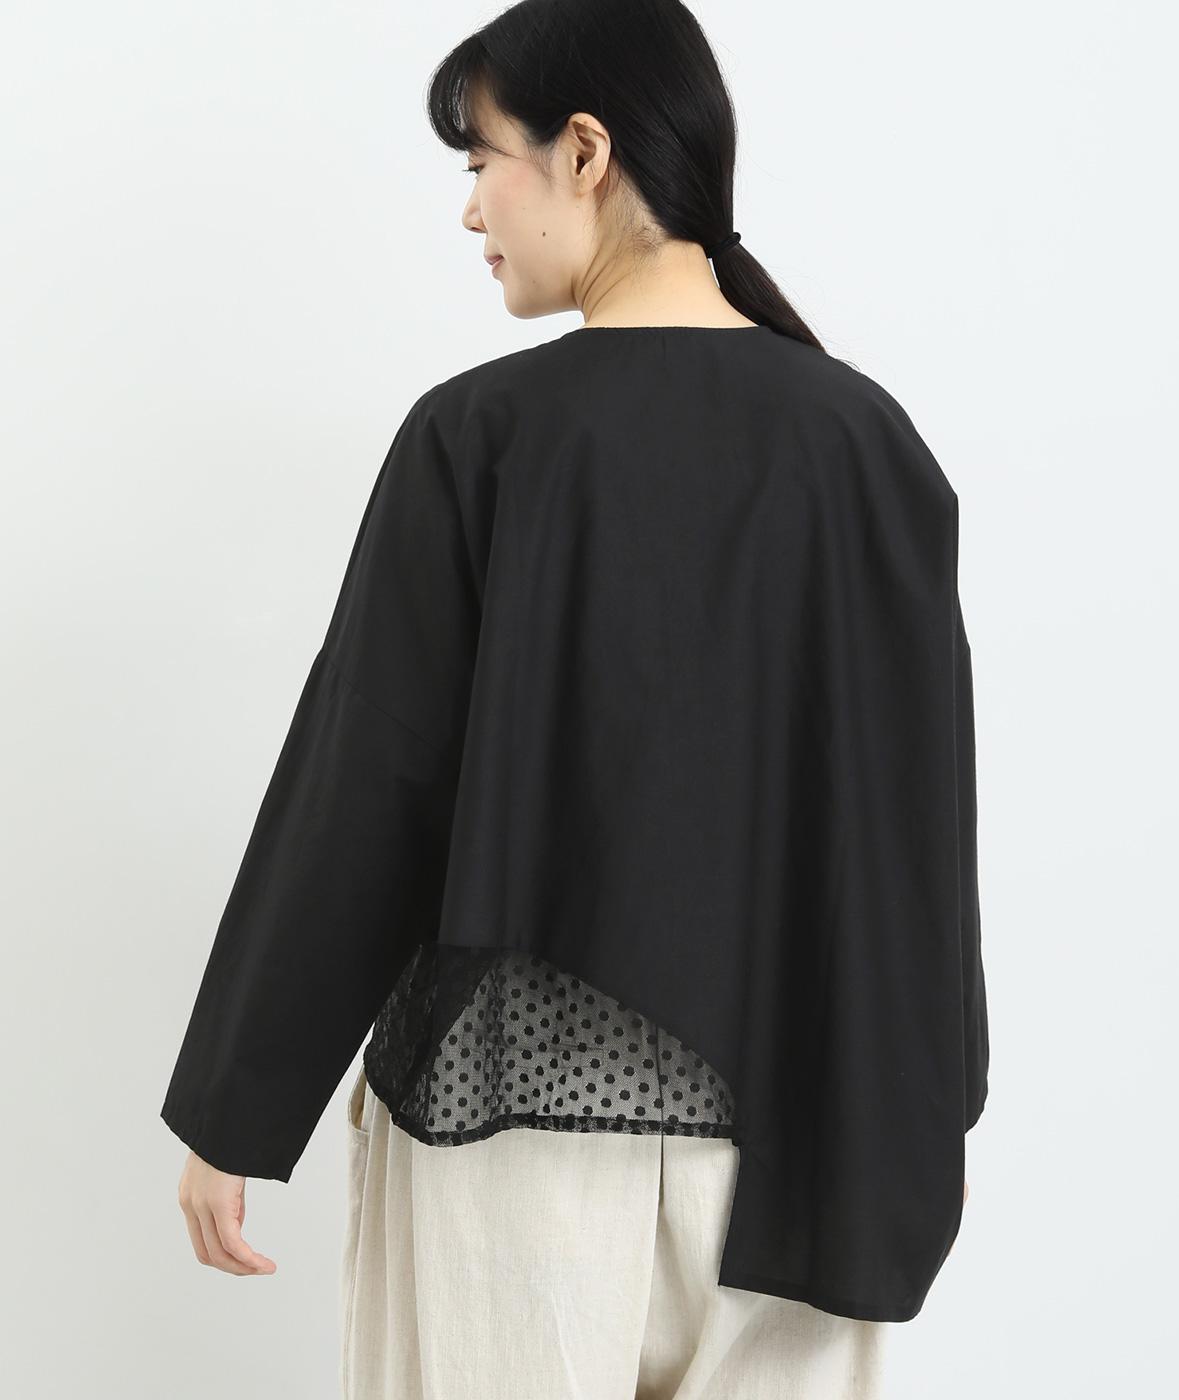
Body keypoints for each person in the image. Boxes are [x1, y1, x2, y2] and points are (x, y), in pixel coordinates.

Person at [162, 1, 988, 1396]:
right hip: (802, 1150)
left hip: (515, 1148)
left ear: (586, 152)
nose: (470, 208)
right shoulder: (866, 444)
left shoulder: (484, 435)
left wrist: (235, 1109)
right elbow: (919, 826)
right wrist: (924, 1114)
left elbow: (370, 784)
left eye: (480, 160)